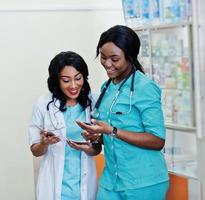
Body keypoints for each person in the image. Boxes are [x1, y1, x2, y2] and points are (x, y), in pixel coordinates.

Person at [76, 25, 169, 200]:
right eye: (103, 57)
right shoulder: (106, 88)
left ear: (130, 57)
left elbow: (157, 140)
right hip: (111, 181)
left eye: (115, 59)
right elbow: (110, 135)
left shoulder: (145, 88)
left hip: (144, 182)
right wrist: (97, 136)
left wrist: (112, 131)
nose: (107, 64)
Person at [28, 51, 102, 200]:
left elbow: (97, 148)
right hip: (53, 187)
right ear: (56, 80)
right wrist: (44, 143)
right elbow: (35, 150)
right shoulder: (43, 105)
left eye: (78, 78)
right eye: (66, 80)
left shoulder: (93, 102)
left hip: (84, 187)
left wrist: (89, 147)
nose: (74, 85)